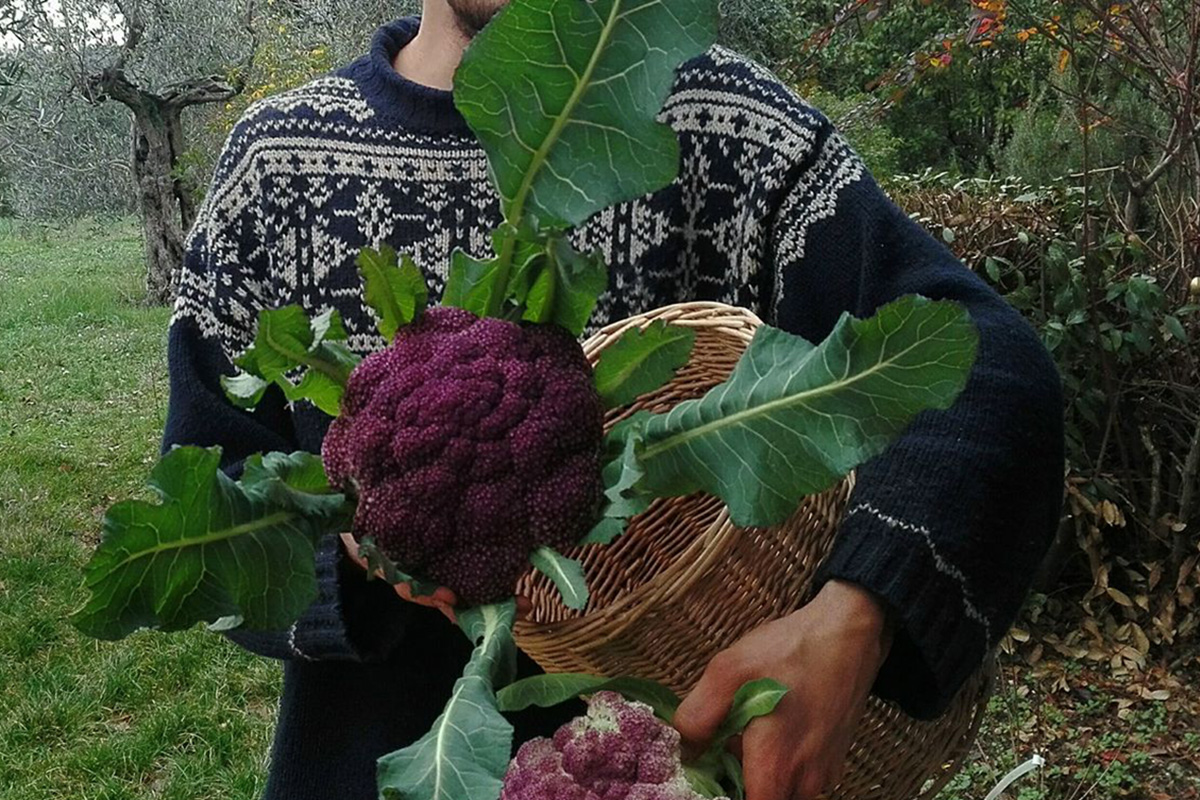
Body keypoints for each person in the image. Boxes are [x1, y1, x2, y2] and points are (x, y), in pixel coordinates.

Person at [162, 2, 1065, 799]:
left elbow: (984, 359)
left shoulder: (726, 133)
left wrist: (858, 615)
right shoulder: (278, 166)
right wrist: (353, 562)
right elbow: (201, 530)